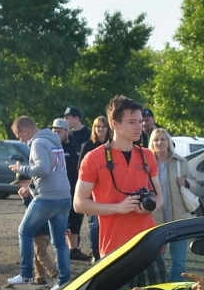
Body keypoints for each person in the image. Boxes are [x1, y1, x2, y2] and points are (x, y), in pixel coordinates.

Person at [73, 96, 163, 257]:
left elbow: (160, 198)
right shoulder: (93, 158)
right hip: (114, 248)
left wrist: (151, 206)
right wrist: (118, 208)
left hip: (148, 244)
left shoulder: (147, 156)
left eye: (140, 122)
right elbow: (79, 204)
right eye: (132, 122)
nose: (139, 127)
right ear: (115, 124)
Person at [7, 116, 72, 289]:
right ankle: (64, 281)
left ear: (26, 131)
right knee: (59, 242)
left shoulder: (37, 143)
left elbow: (43, 168)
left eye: (19, 136)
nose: (20, 140)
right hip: (65, 196)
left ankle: (26, 274)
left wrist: (21, 169)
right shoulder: (54, 140)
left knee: (24, 231)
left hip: (47, 197)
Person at [149, 127, 198, 278]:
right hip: (155, 219)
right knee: (156, 259)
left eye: (163, 139)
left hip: (179, 217)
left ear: (169, 142)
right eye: (156, 140)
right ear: (152, 143)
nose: (160, 143)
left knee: (179, 261)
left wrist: (186, 182)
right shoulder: (146, 163)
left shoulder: (180, 161)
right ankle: (158, 289)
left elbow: (194, 183)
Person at [63, 107, 92, 261]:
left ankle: (83, 246)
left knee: (84, 216)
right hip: (69, 182)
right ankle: (71, 248)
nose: (66, 120)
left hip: (84, 180)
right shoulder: (69, 136)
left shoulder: (87, 135)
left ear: (76, 118)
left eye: (68, 117)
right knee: (69, 216)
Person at [82, 116, 111, 260]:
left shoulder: (112, 146)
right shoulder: (88, 146)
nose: (100, 129)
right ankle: (95, 253)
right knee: (94, 224)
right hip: (92, 191)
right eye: (98, 126)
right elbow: (80, 169)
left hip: (108, 190)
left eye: (103, 127)